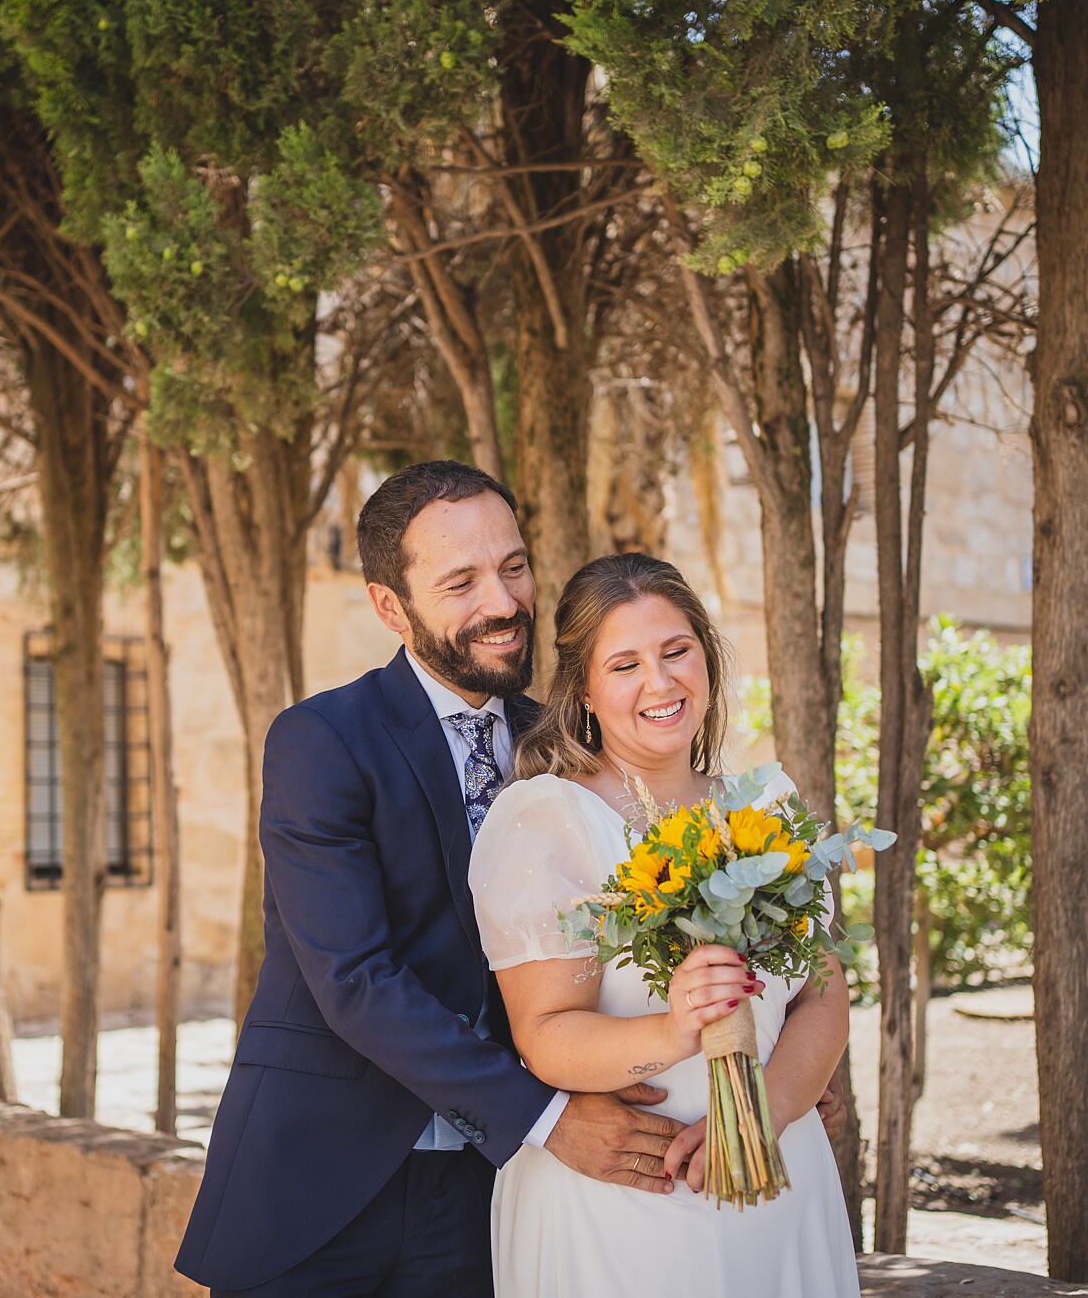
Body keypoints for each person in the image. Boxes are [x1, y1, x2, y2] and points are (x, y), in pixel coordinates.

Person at [175, 461, 844, 1296]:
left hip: (483, 1189)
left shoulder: (571, 746)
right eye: (461, 581)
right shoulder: (325, 740)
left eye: (514, 566)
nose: (502, 601)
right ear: (390, 605)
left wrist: (770, 1080)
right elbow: (355, 979)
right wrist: (547, 1116)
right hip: (328, 1176)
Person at [470, 551, 861, 1297]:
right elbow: (544, 1034)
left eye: (676, 650)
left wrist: (770, 1110)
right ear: (584, 690)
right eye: (625, 665)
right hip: (625, 1209)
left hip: (780, 1184)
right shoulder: (547, 819)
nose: (660, 682)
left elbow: (822, 992)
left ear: (707, 658)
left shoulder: (764, 805)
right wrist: (676, 1030)